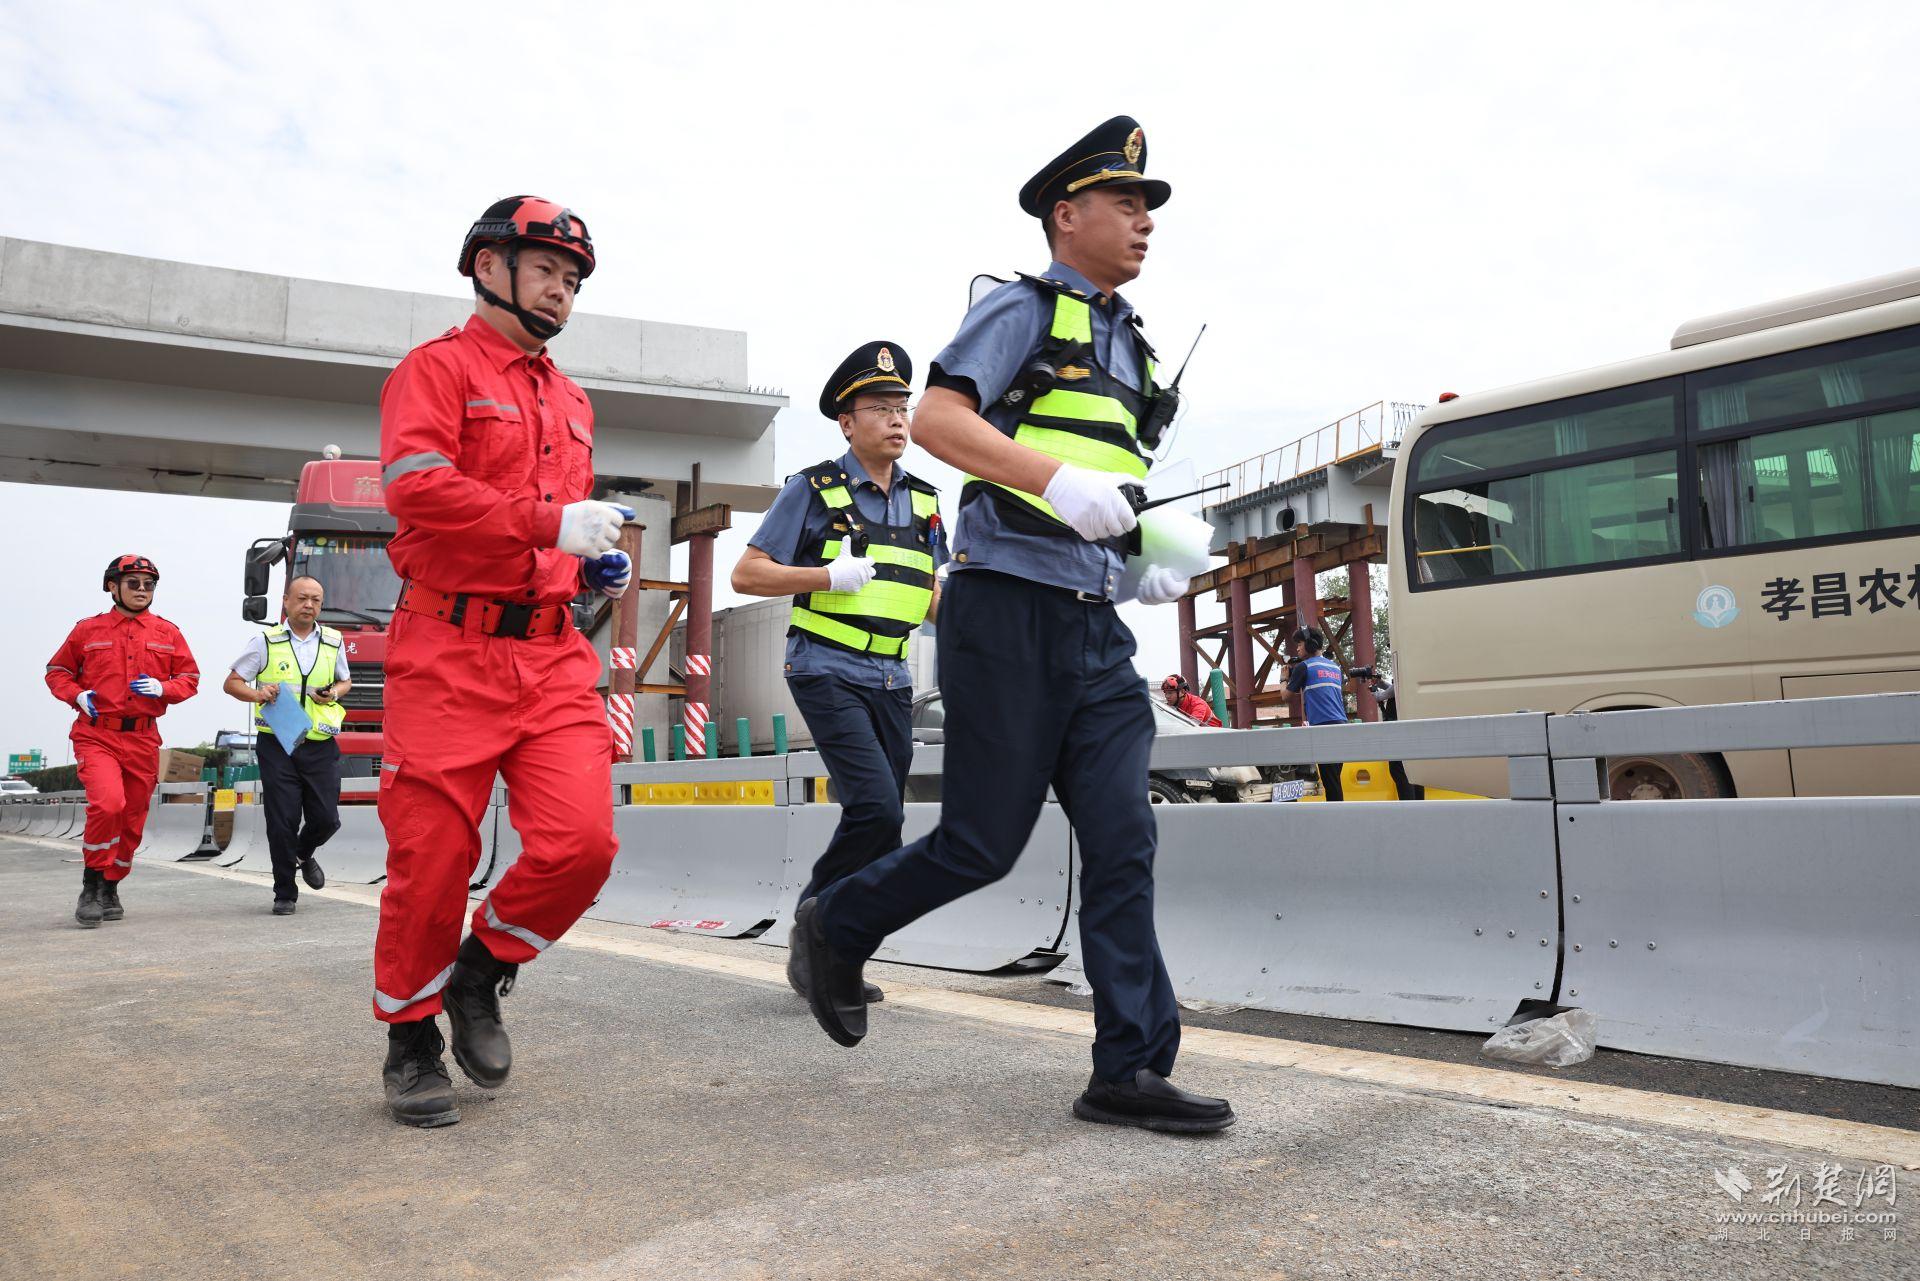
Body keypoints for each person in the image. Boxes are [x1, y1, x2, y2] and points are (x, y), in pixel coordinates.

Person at [792, 116, 1234, 1134]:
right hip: (1006, 615)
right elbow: (944, 421)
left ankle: (1129, 1067)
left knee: (1125, 841)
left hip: (1094, 629)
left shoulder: (1133, 344)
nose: (1144, 223)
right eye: (1127, 204)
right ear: (1065, 213)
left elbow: (1105, 495)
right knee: (983, 843)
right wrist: (1057, 481)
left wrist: (1145, 563)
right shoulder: (1023, 310)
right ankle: (836, 922)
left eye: (1148, 208)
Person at [371, 195, 635, 1128]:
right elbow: (419, 489)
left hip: (551, 650)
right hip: (446, 649)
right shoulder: (434, 371)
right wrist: (545, 523)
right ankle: (410, 1037)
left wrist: (584, 559)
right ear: (491, 268)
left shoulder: (570, 397)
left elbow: (553, 521)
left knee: (582, 844)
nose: (562, 292)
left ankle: (481, 971)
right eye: (548, 272)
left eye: (572, 281)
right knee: (432, 860)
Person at [729, 341, 944, 1007]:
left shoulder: (929, 501)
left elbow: (934, 593)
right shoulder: (814, 489)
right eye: (880, 407)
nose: (896, 418)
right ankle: (815, 927)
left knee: (886, 821)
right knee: (875, 805)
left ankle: (834, 946)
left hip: (893, 677)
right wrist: (827, 575)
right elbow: (747, 572)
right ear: (848, 422)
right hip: (826, 666)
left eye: (902, 406)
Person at [43, 556, 200, 927]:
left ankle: (112, 885)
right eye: (133, 583)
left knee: (132, 817)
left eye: (149, 584)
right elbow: (57, 671)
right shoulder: (87, 630)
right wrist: (76, 695)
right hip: (97, 734)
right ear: (113, 587)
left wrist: (165, 687)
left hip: (143, 737)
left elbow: (190, 678)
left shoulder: (168, 633)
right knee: (108, 804)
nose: (142, 590)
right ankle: (91, 884)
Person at [222, 575, 349, 914]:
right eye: (303, 598)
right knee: (283, 820)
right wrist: (258, 693)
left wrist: (334, 693)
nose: (309, 605)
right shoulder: (265, 641)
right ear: (286, 601)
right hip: (277, 742)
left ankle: (303, 853)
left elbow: (344, 680)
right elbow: (232, 683)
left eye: (316, 600)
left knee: (326, 818)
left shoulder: (334, 641)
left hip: (319, 742)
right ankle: (284, 893)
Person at [1285, 626, 1348, 800]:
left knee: (1331, 781)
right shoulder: (1335, 667)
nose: (1297, 648)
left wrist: (1284, 679)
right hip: (1342, 726)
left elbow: (1286, 696)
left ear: (1310, 644)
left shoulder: (1304, 667)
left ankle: (1337, 820)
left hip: (1323, 728)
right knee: (1334, 778)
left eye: (1299, 643)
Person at [1351, 665, 1424, 800]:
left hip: (1398, 728)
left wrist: (1375, 693)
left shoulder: (1403, 668)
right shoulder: (1411, 666)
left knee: (1400, 770)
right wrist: (1381, 683)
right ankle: (1418, 805)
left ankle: (1410, 807)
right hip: (1409, 726)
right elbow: (1395, 689)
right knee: (1413, 770)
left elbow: (1392, 690)